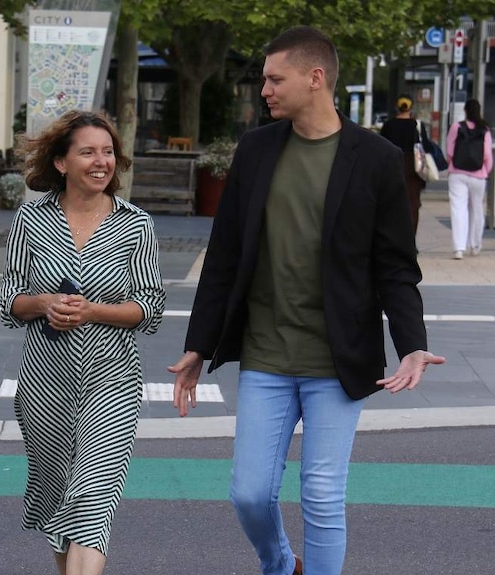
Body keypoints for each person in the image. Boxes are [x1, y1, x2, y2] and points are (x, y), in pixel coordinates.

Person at [168, 27, 445, 575]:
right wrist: (198, 347)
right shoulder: (256, 150)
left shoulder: (377, 159)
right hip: (267, 354)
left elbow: (396, 268)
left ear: (314, 78)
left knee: (321, 496)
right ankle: (278, 563)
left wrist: (412, 344)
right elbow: (222, 259)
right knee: (249, 492)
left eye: (275, 79)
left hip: (338, 359)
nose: (265, 89)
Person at [0, 110, 165, 575]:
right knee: (57, 505)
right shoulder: (32, 219)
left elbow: (150, 307)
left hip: (111, 382)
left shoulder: (136, 225)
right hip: (44, 385)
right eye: (88, 152)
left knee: (93, 502)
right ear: (61, 162)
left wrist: (92, 311)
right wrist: (44, 304)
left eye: (108, 152)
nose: (101, 161)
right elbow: (9, 297)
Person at [446, 98, 493, 259]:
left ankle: (459, 248)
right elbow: (487, 155)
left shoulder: (456, 127)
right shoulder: (485, 130)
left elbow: (450, 152)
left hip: (457, 173)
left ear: (465, 111)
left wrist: (452, 165)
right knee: (477, 209)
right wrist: (485, 171)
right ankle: (475, 244)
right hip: (478, 175)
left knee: (458, 209)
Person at [379, 94, 428, 240]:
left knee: (391, 204)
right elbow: (424, 147)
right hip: (413, 169)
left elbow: (381, 147)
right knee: (412, 205)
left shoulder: (388, 125)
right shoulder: (416, 126)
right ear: (411, 108)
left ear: (397, 108)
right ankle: (410, 239)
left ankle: (393, 238)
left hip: (392, 167)